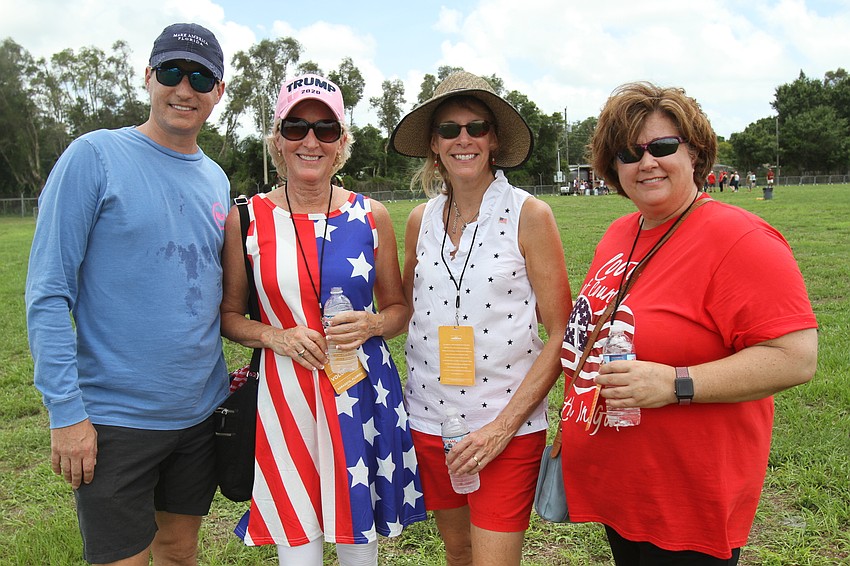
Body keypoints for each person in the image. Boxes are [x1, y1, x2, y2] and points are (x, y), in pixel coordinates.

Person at [560, 81, 818, 565]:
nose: (646, 162)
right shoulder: (621, 232)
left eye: (661, 146)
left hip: (686, 507)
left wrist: (676, 383)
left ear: (695, 153)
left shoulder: (739, 239)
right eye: (627, 152)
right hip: (622, 492)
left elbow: (796, 357)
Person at [25, 23, 229, 565]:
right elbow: (48, 294)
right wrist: (66, 414)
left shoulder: (216, 179)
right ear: (148, 76)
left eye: (200, 77)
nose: (184, 88)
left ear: (219, 92)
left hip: (199, 412)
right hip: (116, 420)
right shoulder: (93, 157)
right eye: (171, 72)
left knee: (180, 552)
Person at [220, 73, 426, 566]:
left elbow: (398, 310)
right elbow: (228, 316)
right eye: (296, 127)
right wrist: (275, 335)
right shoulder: (246, 218)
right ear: (277, 140)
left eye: (326, 129)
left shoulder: (370, 215)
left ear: (342, 143)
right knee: (299, 553)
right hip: (285, 399)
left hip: (359, 393)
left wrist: (373, 325)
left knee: (360, 551)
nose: (310, 141)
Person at [390, 71, 571, 566]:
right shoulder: (419, 221)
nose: (463, 139)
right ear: (434, 144)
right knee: (458, 551)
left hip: (505, 429)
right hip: (429, 420)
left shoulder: (530, 216)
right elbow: (403, 312)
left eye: (476, 127)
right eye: (449, 129)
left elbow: (561, 333)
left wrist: (502, 429)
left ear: (493, 141)